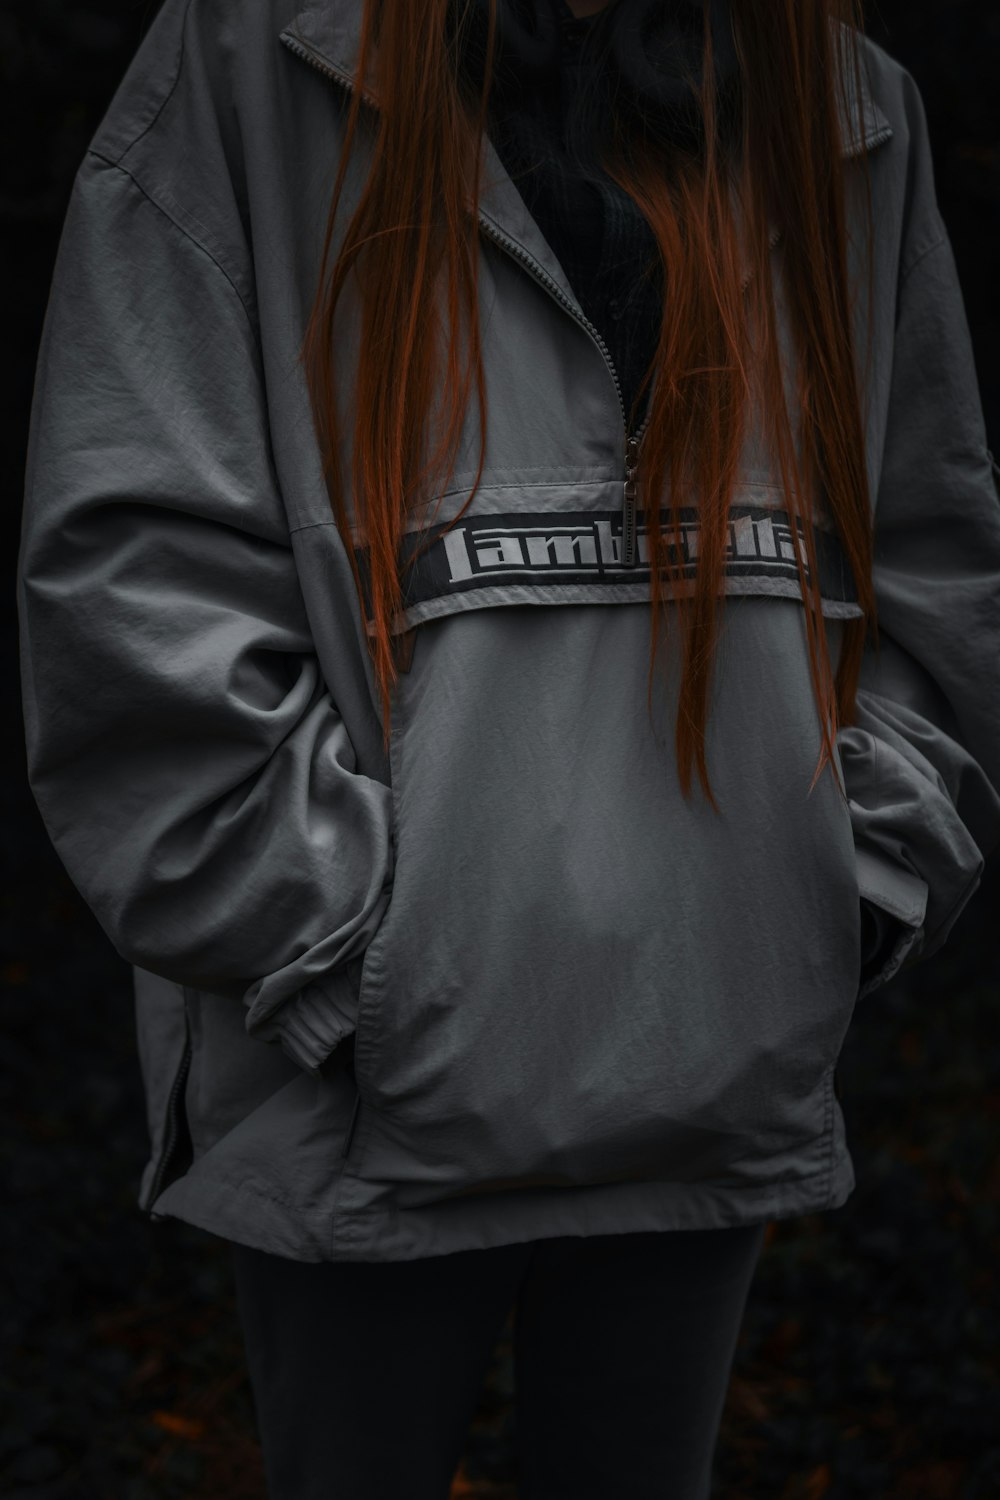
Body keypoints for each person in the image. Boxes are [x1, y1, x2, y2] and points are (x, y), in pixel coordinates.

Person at [16, 0, 1000, 1496]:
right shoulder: (251, 59)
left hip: (706, 1061)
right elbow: (131, 577)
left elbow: (933, 556)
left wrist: (833, 908)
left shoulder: (831, 92)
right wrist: (355, 972)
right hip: (357, 1094)